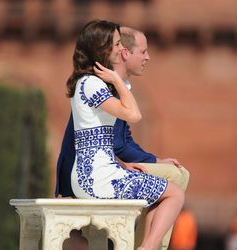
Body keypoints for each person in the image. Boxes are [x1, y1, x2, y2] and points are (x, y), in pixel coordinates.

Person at [56, 25, 189, 249]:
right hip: (94, 180)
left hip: (98, 173)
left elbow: (98, 139)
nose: (121, 49)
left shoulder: (89, 82)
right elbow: (134, 115)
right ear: (102, 49)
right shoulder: (91, 83)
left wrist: (121, 163)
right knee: (174, 194)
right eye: (117, 44)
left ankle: (147, 246)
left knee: (165, 192)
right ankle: (147, 247)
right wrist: (118, 81)